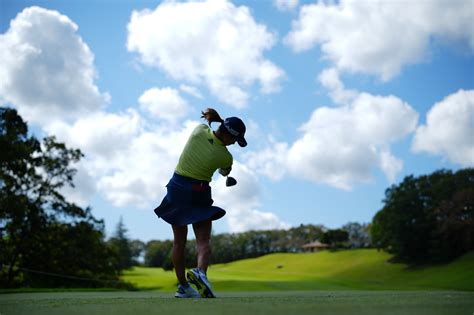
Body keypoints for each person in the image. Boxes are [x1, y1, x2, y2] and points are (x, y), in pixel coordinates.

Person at [153, 108, 247, 298]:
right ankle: (200, 273)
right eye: (235, 140)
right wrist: (227, 171)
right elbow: (224, 172)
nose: (234, 144)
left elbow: (209, 134)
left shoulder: (198, 130)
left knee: (179, 243)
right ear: (229, 136)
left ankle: (183, 287)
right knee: (203, 242)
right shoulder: (225, 156)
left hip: (176, 188)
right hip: (198, 193)